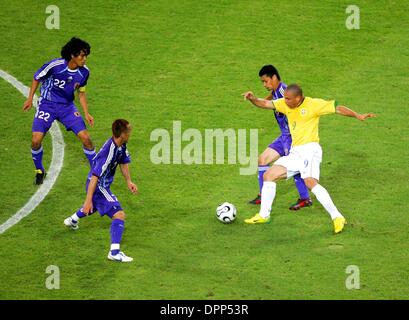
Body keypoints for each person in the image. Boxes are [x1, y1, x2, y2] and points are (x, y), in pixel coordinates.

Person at [242, 84, 376, 233]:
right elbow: (265, 103)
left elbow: (337, 107)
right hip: (295, 152)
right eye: (284, 98)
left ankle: (337, 217)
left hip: (310, 150)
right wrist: (252, 98)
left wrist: (357, 115)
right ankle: (263, 215)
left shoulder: (313, 104)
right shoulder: (285, 104)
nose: (284, 101)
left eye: (288, 98)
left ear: (298, 98)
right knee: (269, 175)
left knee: (310, 182)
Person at [23, 37, 96, 185]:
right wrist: (30, 98)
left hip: (67, 108)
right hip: (47, 105)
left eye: (86, 55)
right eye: (82, 55)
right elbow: (37, 77)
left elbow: (81, 93)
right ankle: (39, 170)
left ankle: (97, 171)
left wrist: (86, 113)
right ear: (72, 55)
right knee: (36, 140)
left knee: (86, 139)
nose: (85, 59)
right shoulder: (55, 66)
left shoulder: (84, 73)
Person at [64, 119, 138, 262]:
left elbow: (123, 162)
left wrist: (128, 181)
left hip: (102, 185)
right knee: (119, 214)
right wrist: (87, 200)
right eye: (128, 130)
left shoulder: (121, 145)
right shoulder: (108, 152)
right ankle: (114, 252)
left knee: (96, 206)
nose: (130, 132)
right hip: (98, 186)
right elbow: (94, 177)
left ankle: (72, 220)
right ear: (122, 134)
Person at [248, 65, 312, 210]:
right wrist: (260, 99)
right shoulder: (276, 91)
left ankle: (305, 198)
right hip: (284, 136)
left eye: (266, 81)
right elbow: (270, 98)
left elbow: (297, 107)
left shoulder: (284, 92)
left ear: (274, 77)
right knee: (262, 159)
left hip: (292, 137)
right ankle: (264, 194)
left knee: (295, 167)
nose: (264, 84)